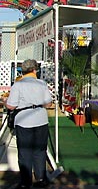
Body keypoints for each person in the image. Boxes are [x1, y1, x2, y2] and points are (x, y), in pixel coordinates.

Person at [6, 59, 53, 189]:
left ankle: (26, 182)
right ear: (34, 70)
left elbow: (11, 106)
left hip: (23, 121)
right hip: (40, 120)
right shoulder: (42, 84)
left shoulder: (18, 85)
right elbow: (48, 103)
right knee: (40, 150)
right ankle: (41, 178)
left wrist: (5, 102)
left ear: (23, 71)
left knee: (25, 152)